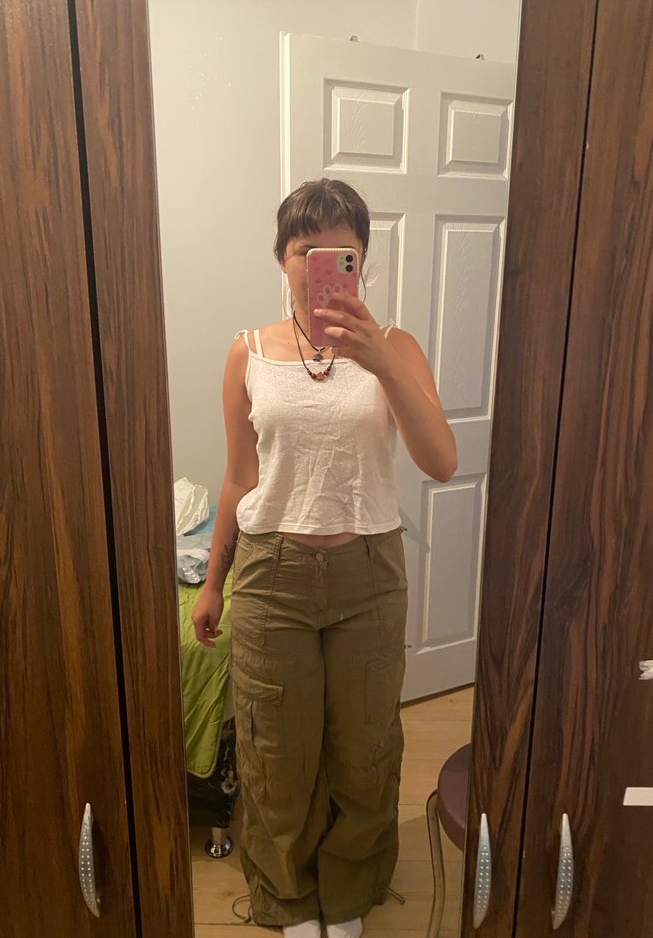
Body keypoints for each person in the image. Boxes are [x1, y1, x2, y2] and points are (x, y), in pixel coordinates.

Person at [192, 178, 457, 938]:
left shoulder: (397, 347)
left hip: (367, 573)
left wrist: (381, 361)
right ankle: (286, 898)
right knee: (276, 750)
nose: (323, 267)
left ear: (361, 260)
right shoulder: (247, 353)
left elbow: (441, 461)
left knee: (364, 746)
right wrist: (213, 584)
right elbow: (239, 477)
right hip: (270, 574)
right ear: (282, 259)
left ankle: (346, 894)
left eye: (343, 253)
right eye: (307, 251)